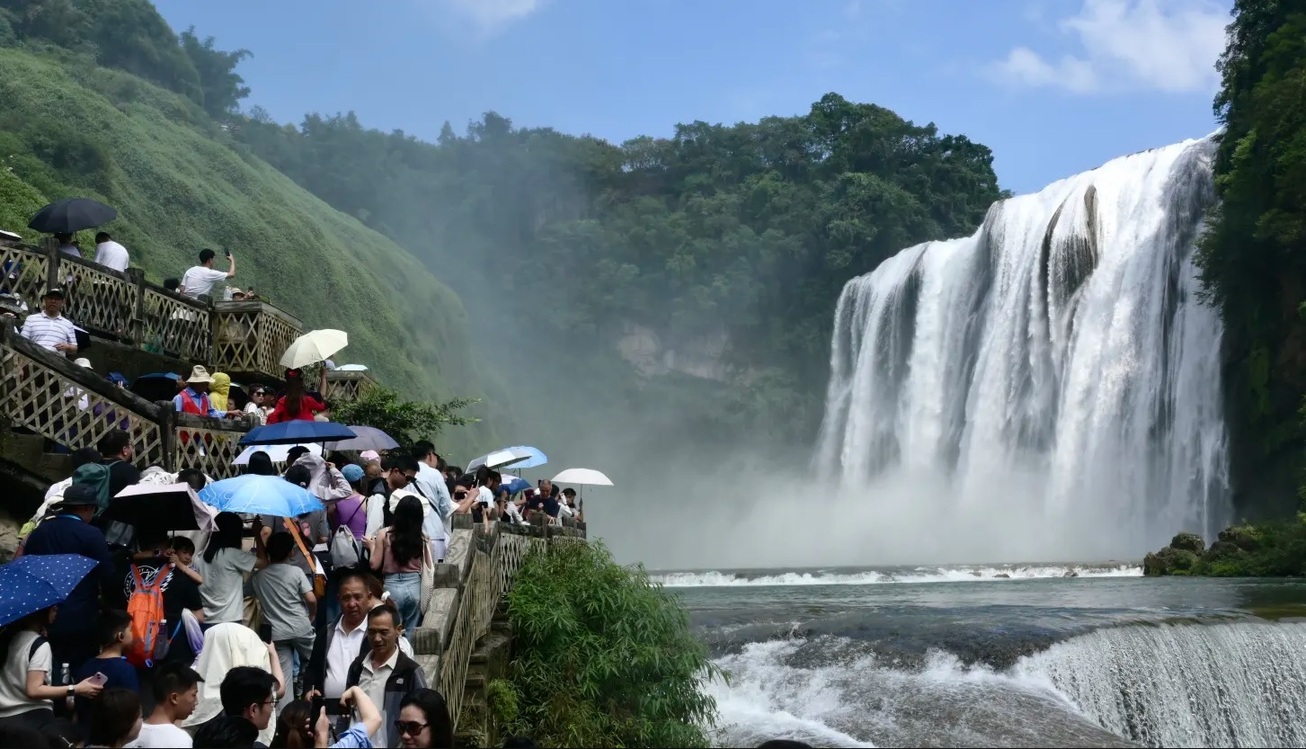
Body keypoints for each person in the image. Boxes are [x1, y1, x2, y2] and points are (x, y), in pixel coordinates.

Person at [20, 485, 116, 671]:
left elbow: (27, 567)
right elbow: (107, 574)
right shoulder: (91, 534)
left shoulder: (40, 531)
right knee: (76, 671)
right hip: (79, 617)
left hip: (41, 615)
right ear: (88, 508)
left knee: (44, 668)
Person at [0, 608, 102, 731]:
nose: (56, 614)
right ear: (41, 614)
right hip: (32, 718)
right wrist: (76, 689)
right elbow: (34, 690)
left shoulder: (9, 639)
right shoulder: (39, 645)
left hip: (5, 719)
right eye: (53, 610)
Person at [183, 625, 284, 747]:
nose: (272, 707)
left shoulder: (197, 697)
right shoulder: (255, 687)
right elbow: (279, 689)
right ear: (253, 710)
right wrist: (272, 653)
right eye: (271, 702)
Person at [343, 604, 426, 749]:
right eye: (372, 632)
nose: (377, 638)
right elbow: (346, 711)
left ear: (398, 630)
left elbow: (423, 716)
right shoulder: (358, 666)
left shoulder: (409, 671)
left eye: (384, 632)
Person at [251, 534, 317, 710]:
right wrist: (311, 615)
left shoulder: (259, 577)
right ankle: (310, 697)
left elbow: (244, 592)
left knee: (282, 678)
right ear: (291, 553)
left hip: (276, 633)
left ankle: (285, 717)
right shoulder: (295, 572)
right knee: (316, 661)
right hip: (300, 627)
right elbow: (311, 598)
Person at [363, 496, 429, 634]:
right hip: (415, 585)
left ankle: (396, 655)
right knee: (412, 629)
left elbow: (374, 564)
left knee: (392, 629)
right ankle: (409, 654)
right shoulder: (423, 538)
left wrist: (372, 546)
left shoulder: (385, 534)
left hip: (392, 587)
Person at [196, 513, 268, 626]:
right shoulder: (232, 555)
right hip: (229, 618)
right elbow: (263, 562)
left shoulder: (200, 556)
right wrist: (257, 534)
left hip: (205, 620)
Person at [73, 610, 139, 728]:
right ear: (120, 636)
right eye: (131, 630)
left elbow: (78, 709)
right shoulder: (125, 670)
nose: (134, 634)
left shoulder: (86, 666)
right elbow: (132, 711)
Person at [131, 662, 202, 748]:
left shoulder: (129, 734)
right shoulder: (180, 741)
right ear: (174, 698)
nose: (196, 701)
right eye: (193, 695)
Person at [409, 442, 452, 563]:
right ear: (430, 455)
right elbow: (446, 506)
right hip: (434, 534)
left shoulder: (406, 471)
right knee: (434, 576)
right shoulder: (434, 474)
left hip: (410, 535)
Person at [18, 287, 77, 356]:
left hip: (57, 363)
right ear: (45, 300)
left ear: (63, 302)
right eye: (50, 298)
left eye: (57, 299)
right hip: (34, 359)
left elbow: (74, 348)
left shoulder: (68, 324)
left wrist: (67, 347)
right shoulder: (31, 319)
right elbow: (22, 341)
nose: (53, 301)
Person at [174, 366, 242, 420]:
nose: (207, 384)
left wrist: (228, 413)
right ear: (196, 382)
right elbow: (174, 418)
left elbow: (212, 413)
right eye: (205, 382)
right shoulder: (180, 398)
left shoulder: (205, 397)